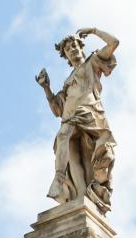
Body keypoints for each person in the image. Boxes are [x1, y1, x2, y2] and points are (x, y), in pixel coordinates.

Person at [35, 27, 119, 213]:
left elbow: (113, 43)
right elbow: (58, 109)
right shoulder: (67, 82)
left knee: (65, 132)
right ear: (65, 55)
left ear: (81, 47)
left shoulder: (93, 62)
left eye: (74, 45)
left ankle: (58, 176)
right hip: (70, 117)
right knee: (72, 155)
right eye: (68, 48)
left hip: (89, 114)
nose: (72, 49)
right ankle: (81, 197)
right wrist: (46, 88)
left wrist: (94, 30)